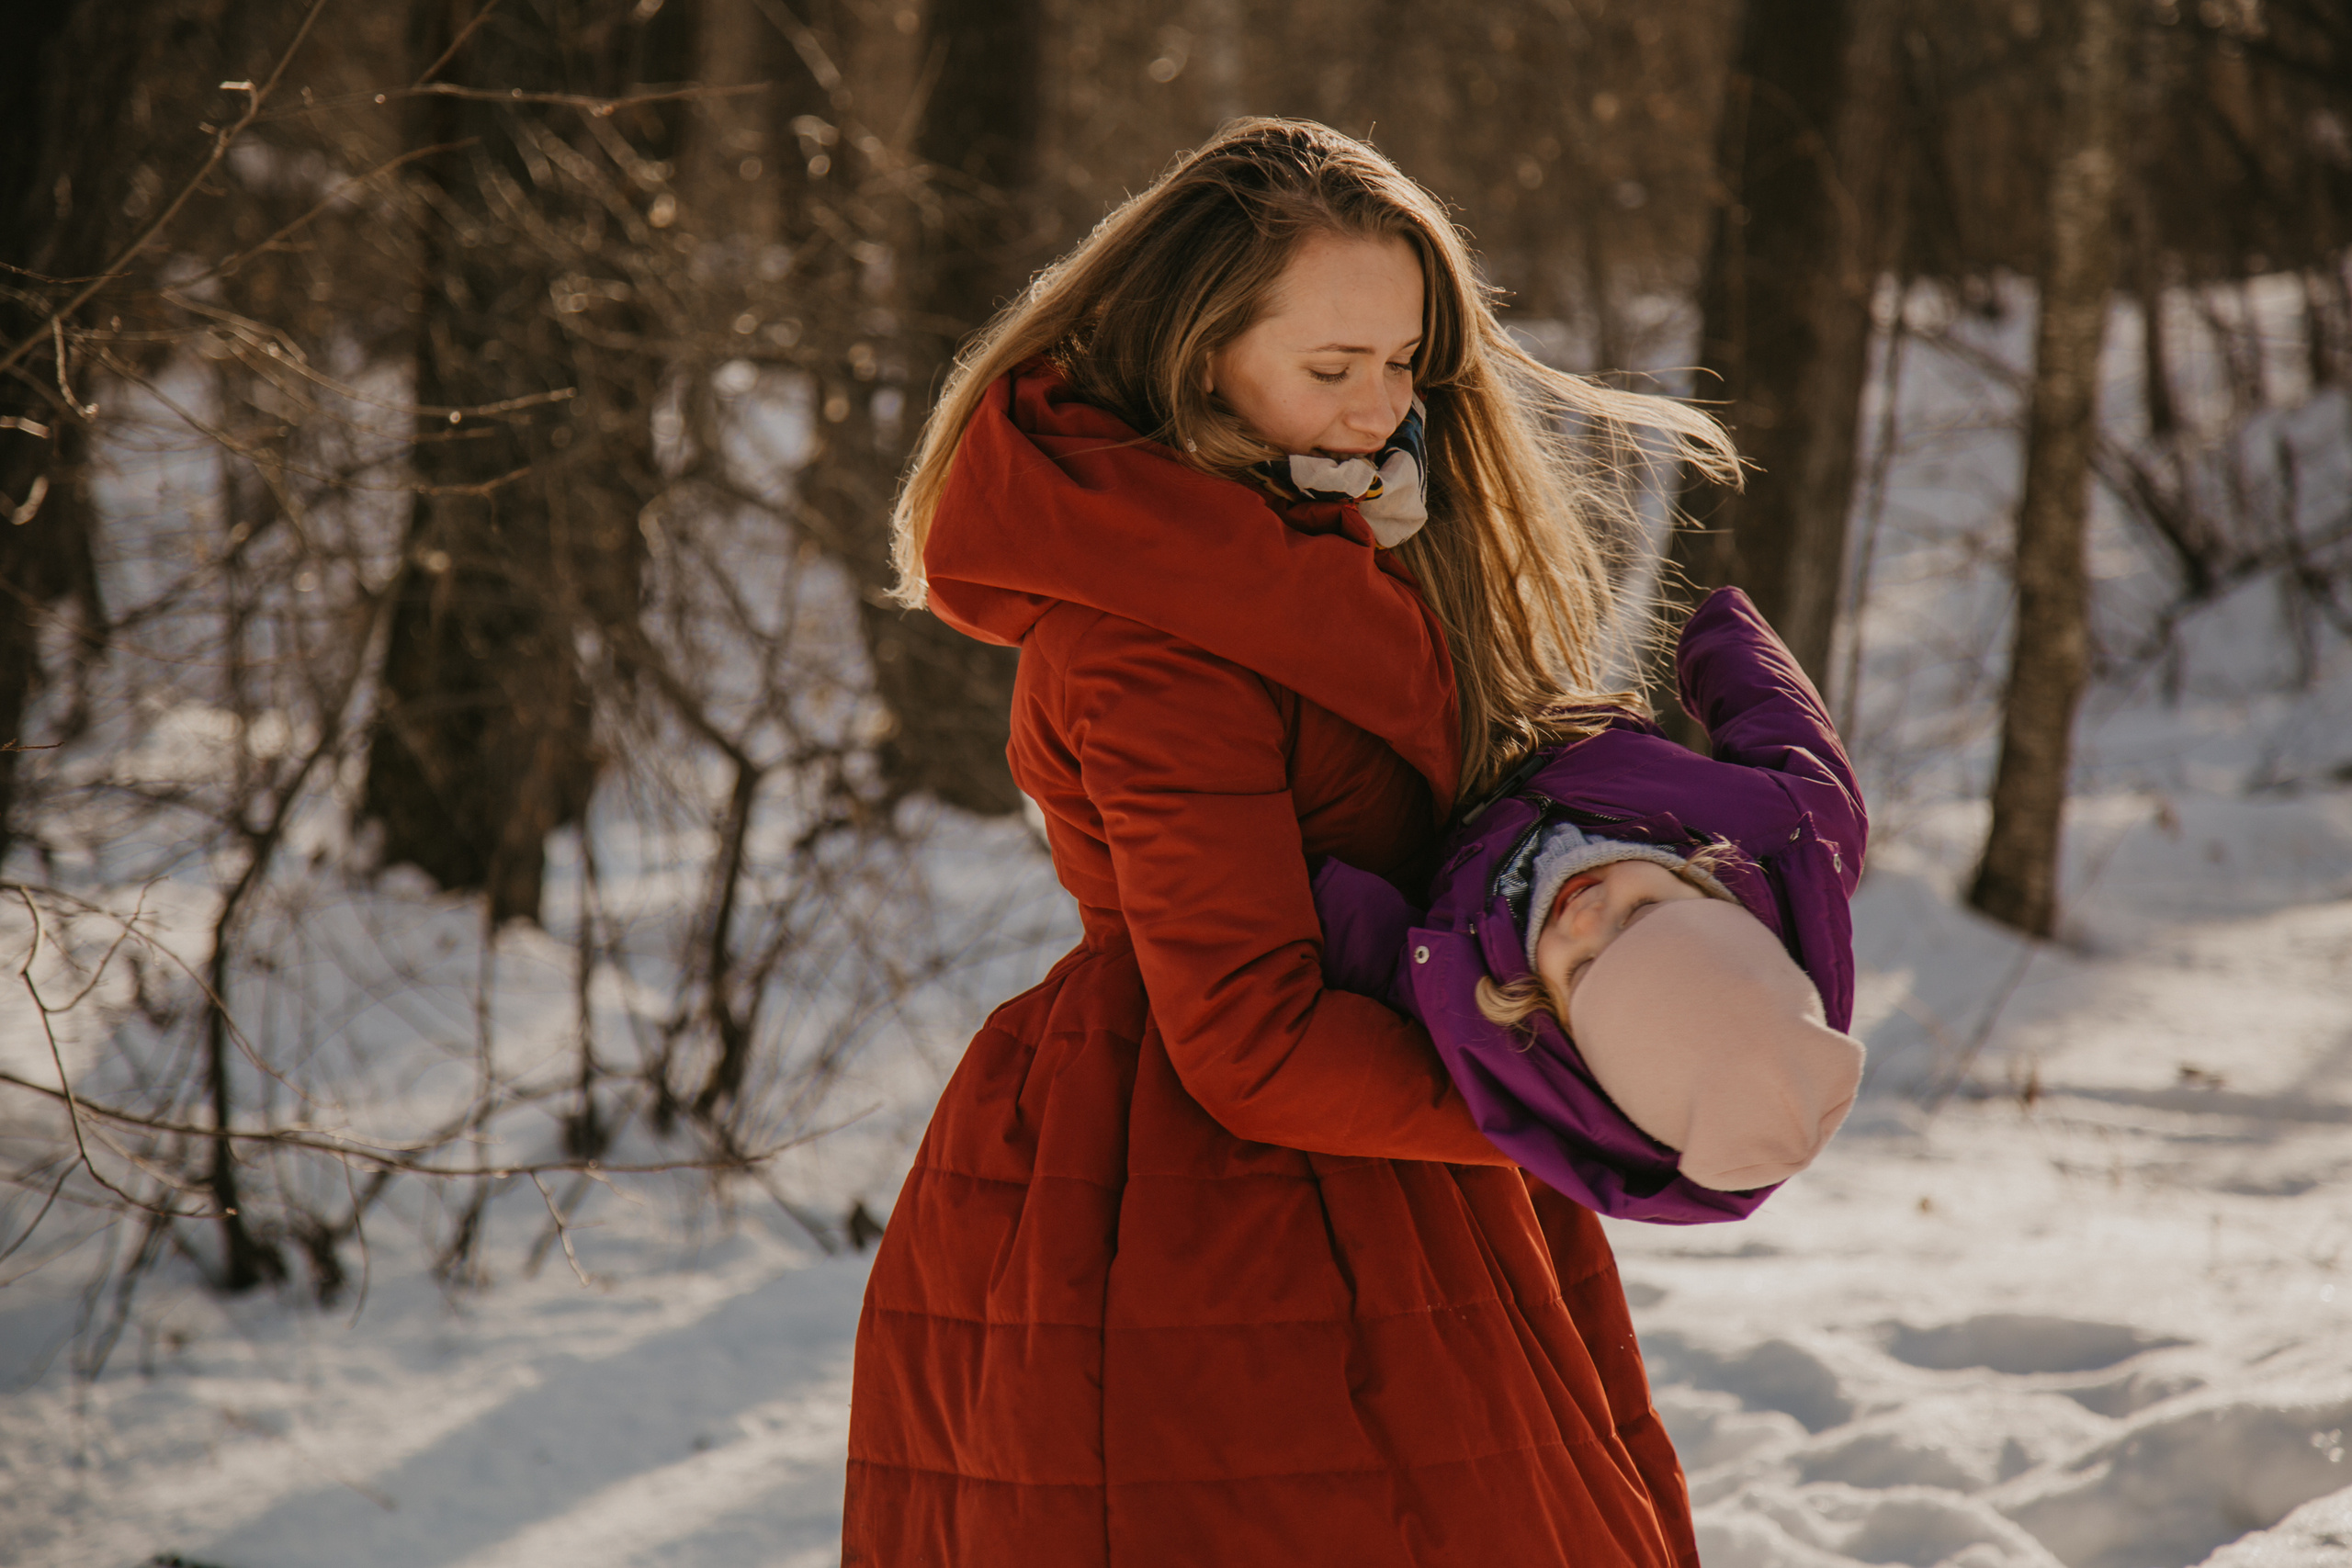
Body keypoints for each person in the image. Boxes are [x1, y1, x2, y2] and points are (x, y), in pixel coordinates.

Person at [845, 118, 1739, 1566]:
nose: (1381, 407)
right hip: (1213, 1206)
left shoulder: (1297, 539)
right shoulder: (1160, 636)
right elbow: (1250, 1037)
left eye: (1403, 364)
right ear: (1201, 353)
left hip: (1384, 1144)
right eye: (1333, 368)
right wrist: (1573, 1105)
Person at [1311, 585, 1869, 1226]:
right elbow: (1779, 717)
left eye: (1581, 969)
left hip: (1439, 791)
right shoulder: (1792, 830)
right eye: (1637, 916)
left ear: (1562, 1024)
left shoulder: (1481, 1010)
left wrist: (1288, 864)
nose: (1584, 919)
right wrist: (1721, 634)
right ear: (1706, 892)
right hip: (1555, 714)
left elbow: (1370, 944)